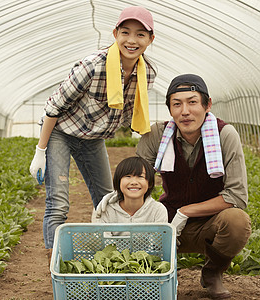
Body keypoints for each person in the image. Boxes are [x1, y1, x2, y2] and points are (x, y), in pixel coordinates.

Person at [97, 74, 251, 299]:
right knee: (138, 225)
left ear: (207, 105)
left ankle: (212, 272)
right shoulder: (157, 135)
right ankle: (155, 271)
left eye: (192, 102)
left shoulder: (224, 134)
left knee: (237, 221)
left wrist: (186, 212)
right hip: (165, 219)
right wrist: (115, 196)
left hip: (210, 221)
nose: (185, 111)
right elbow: (138, 180)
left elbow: (237, 196)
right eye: (177, 104)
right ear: (170, 109)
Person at [28, 6, 158, 259]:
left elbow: (134, 115)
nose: (132, 40)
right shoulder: (92, 67)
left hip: (93, 139)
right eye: (126, 32)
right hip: (61, 134)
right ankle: (57, 263)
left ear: (150, 39)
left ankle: (118, 257)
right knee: (59, 202)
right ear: (115, 34)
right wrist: (40, 151)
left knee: (108, 198)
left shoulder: (147, 74)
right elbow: (53, 108)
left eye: (141, 34)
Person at [91, 156, 168, 225]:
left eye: (140, 176)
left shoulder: (158, 210)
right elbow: (104, 239)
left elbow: (158, 240)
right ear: (118, 181)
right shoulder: (106, 210)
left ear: (150, 183)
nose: (134, 182)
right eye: (128, 176)